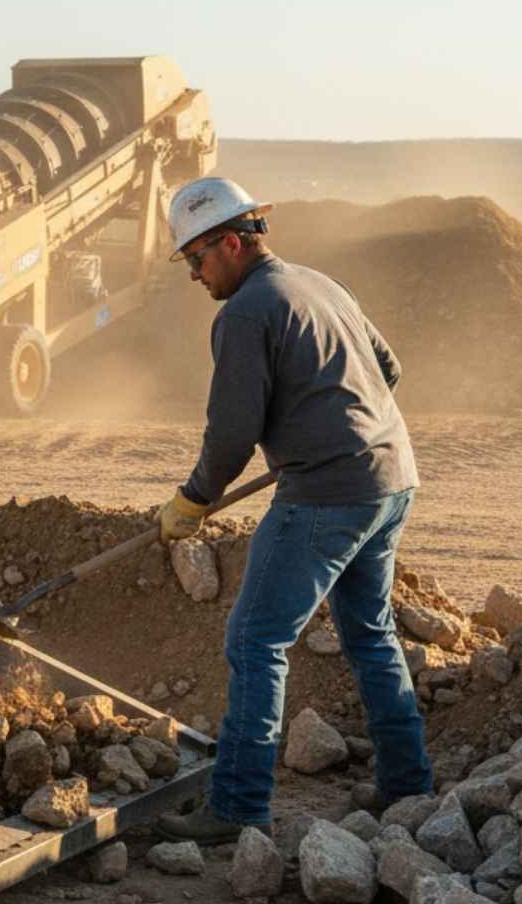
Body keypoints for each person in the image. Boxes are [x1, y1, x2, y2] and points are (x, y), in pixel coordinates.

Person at [152, 177, 431, 845]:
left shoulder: (246, 314)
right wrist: (322, 420)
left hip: (327, 494)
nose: (193, 274)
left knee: (255, 641)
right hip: (391, 480)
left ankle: (238, 806)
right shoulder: (321, 284)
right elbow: (388, 370)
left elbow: (231, 434)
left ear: (231, 242)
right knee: (370, 634)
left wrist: (194, 498)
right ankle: (408, 784)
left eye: (197, 258)